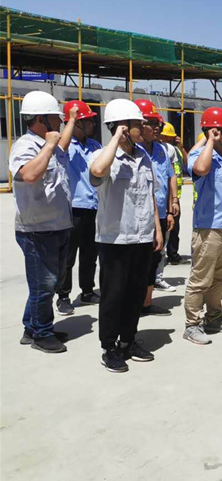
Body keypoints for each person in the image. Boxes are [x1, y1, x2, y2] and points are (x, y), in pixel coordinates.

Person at [89, 98, 162, 372]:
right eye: (136, 124)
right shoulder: (103, 155)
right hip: (115, 240)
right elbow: (97, 172)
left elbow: (150, 195)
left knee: (135, 295)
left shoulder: (144, 156)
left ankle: (128, 341)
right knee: (113, 296)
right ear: (121, 126)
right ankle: (109, 348)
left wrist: (156, 229)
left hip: (142, 238)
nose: (142, 128)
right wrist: (116, 139)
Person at [12, 91, 77, 354]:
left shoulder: (51, 144)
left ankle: (32, 327)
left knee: (49, 282)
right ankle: (42, 334)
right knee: (44, 285)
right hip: (37, 231)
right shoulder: (26, 146)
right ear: (41, 119)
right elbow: (28, 175)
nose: (60, 122)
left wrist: (72, 119)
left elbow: (63, 145)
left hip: (59, 225)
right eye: (56, 118)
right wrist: (48, 146)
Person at [183, 107, 222, 345]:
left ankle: (214, 318)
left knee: (219, 278)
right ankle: (192, 325)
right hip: (209, 229)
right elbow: (200, 170)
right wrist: (209, 141)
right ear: (210, 131)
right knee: (200, 279)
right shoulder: (200, 155)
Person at [56, 100, 101, 315]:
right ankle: (63, 296)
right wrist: (71, 121)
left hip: (94, 206)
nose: (93, 124)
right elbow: (60, 150)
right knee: (68, 256)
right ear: (76, 124)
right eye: (88, 121)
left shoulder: (95, 146)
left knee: (90, 254)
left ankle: (87, 291)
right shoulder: (65, 145)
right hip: (73, 208)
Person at [135, 100, 177, 311]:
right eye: (151, 123)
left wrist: (171, 207)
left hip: (160, 212)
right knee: (137, 261)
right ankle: (134, 303)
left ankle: (146, 303)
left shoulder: (161, 150)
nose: (156, 127)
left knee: (154, 258)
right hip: (138, 216)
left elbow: (170, 177)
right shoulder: (133, 150)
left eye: (157, 123)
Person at [159, 122, 188, 264]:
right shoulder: (158, 151)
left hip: (175, 196)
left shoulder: (175, 150)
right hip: (163, 196)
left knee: (175, 228)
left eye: (170, 137)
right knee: (162, 226)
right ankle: (160, 254)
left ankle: (173, 254)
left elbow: (187, 165)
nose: (168, 140)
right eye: (165, 137)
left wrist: (181, 148)